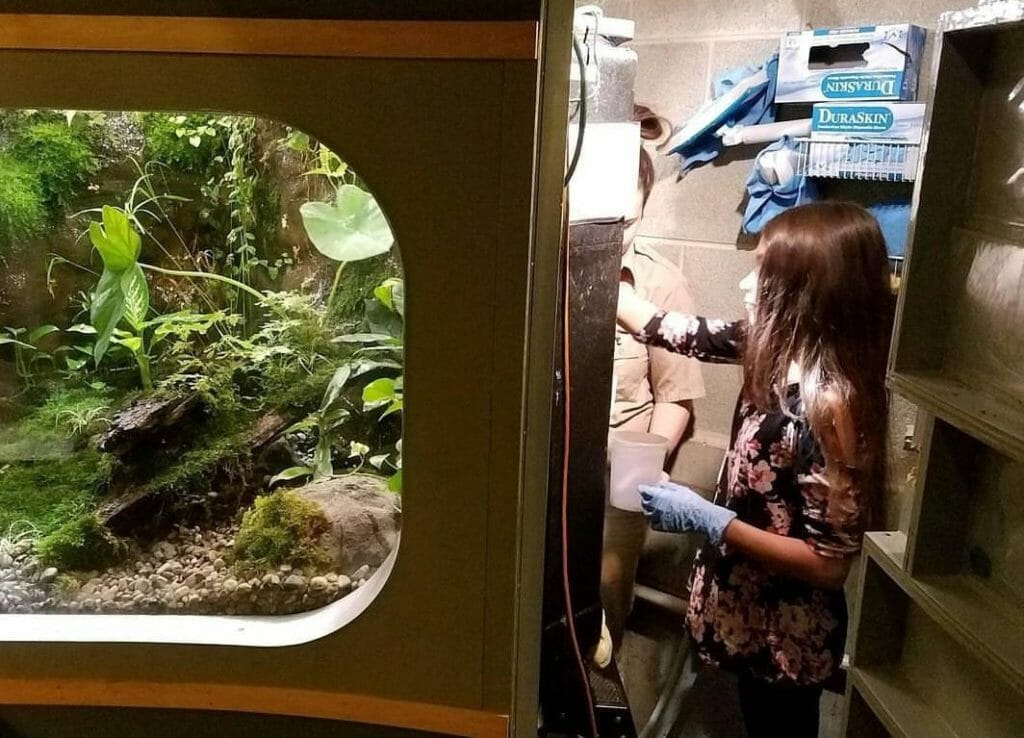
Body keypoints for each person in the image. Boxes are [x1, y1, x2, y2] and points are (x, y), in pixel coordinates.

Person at [616, 202, 892, 737]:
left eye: (765, 271)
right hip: (743, 614)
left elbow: (829, 564)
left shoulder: (833, 405)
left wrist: (713, 521)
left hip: (788, 637)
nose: (747, 282)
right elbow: (666, 327)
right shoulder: (770, 346)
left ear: (811, 290)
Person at [600, 105, 705, 653]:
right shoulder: (536, 267)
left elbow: (676, 396)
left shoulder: (660, 283)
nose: (617, 225)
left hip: (619, 483)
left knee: (605, 596)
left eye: (629, 213)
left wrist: (644, 467)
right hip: (542, 469)